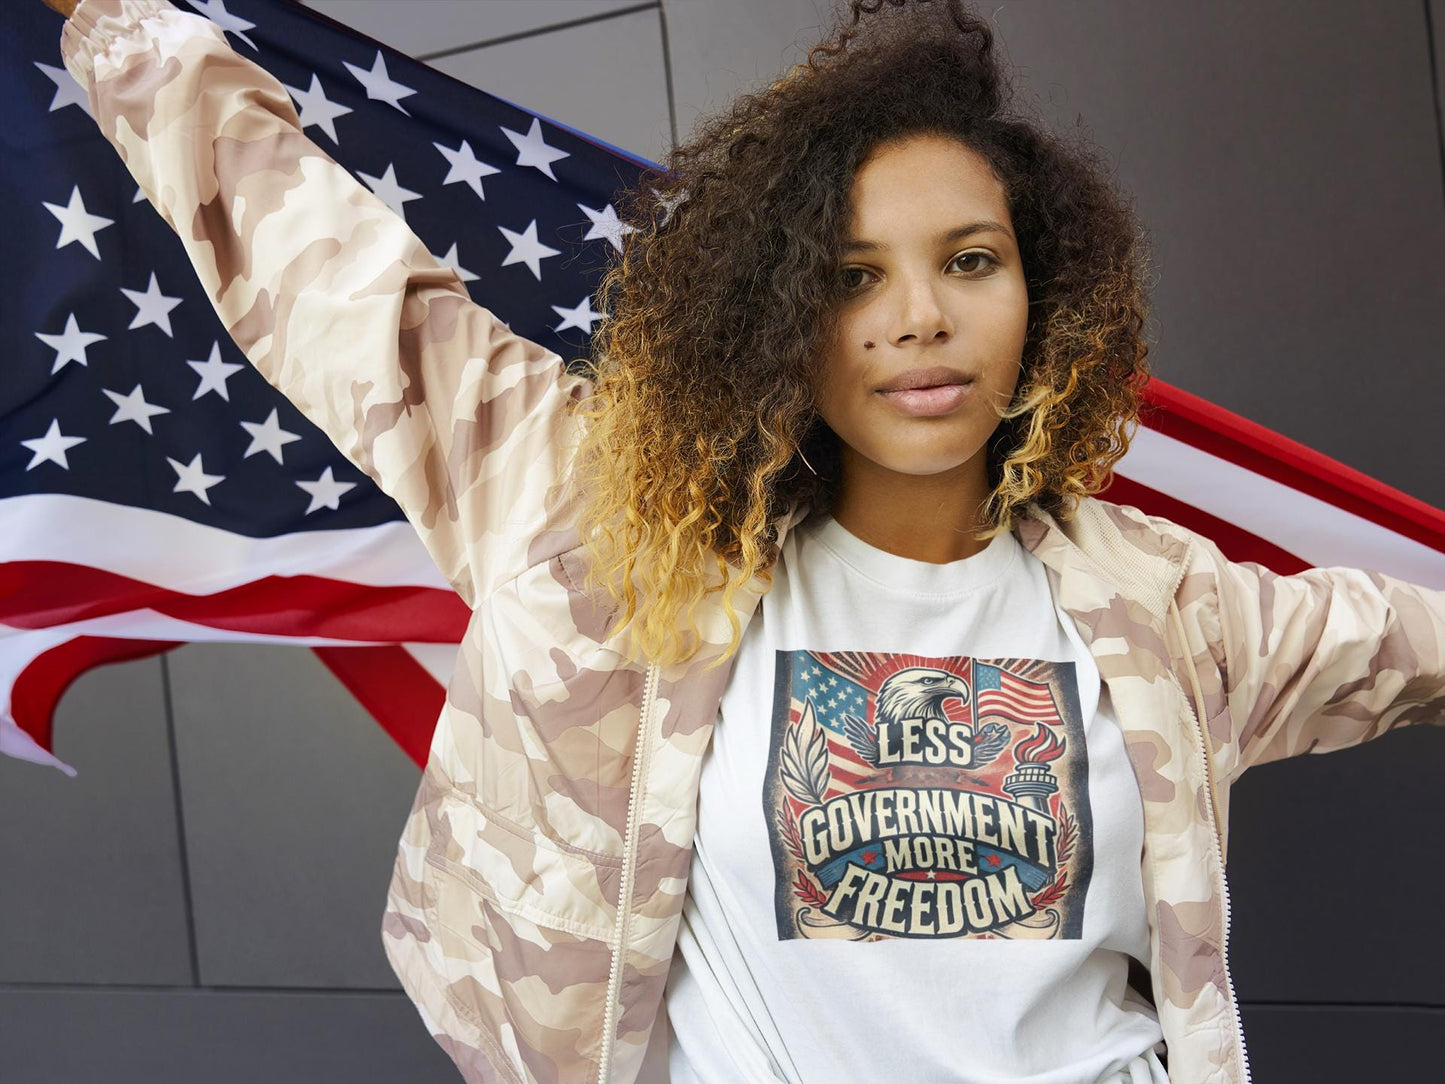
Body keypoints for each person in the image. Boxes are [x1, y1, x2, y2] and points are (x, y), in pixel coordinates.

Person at [47, 0, 1445, 1081]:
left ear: (1045, 295)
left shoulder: (1170, 607)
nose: (918, 317)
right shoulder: (601, 528)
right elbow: (347, 293)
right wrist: (129, 38)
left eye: (969, 260)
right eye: (851, 277)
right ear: (773, 312)